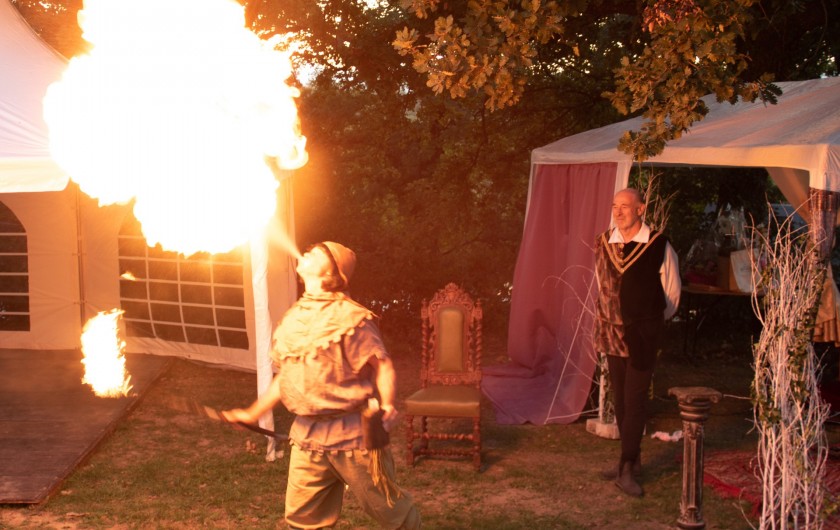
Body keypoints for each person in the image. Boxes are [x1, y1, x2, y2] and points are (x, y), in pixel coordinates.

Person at [223, 241, 421, 529]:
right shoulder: (293, 318)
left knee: (391, 512)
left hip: (354, 437)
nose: (304, 253)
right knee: (302, 520)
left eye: (315, 254)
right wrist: (252, 413)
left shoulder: (352, 318)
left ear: (332, 273)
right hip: (307, 437)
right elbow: (286, 379)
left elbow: (383, 365)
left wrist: (388, 404)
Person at [593, 188, 681, 497]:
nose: (618, 212)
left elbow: (672, 295)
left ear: (640, 209)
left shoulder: (658, 245)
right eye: (615, 206)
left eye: (625, 207)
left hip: (643, 334)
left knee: (636, 399)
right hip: (612, 332)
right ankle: (632, 460)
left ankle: (626, 467)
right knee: (620, 398)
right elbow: (602, 287)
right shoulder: (604, 243)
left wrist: (650, 321)